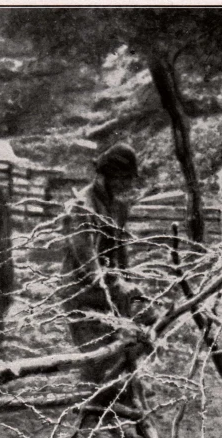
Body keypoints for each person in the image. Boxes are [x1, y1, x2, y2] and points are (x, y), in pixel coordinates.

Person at [59, 142, 151, 384]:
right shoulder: (81, 207)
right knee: (96, 356)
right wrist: (115, 283)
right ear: (104, 175)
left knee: (129, 343)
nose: (125, 184)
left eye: (128, 178)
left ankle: (116, 399)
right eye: (120, 178)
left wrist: (131, 288)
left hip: (111, 290)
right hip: (81, 292)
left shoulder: (118, 207)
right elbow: (86, 257)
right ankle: (90, 408)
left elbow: (121, 252)